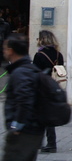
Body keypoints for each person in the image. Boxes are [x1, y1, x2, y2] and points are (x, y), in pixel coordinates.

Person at [3, 33, 45, 161]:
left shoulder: (21, 72)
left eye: (5, 48)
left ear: (11, 51)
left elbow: (25, 101)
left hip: (25, 132)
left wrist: (16, 126)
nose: (3, 51)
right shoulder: (28, 69)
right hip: (33, 130)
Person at [33, 30, 64, 153]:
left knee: (40, 115)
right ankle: (48, 142)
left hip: (41, 87)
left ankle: (49, 144)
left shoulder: (39, 55)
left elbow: (35, 73)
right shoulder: (58, 55)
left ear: (42, 40)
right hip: (54, 87)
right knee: (46, 115)